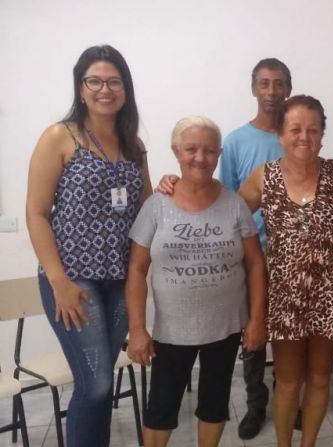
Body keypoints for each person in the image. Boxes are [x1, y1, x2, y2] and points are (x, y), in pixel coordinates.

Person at [157, 58, 292, 440]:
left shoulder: (296, 136)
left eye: (278, 84)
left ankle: (288, 400)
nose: (271, 92)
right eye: (264, 84)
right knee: (251, 337)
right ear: (253, 89)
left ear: (288, 90)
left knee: (285, 336)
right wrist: (170, 180)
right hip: (247, 256)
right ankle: (255, 404)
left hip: (291, 259)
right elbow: (223, 197)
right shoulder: (233, 142)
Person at [25, 44, 152, 447]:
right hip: (73, 279)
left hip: (121, 280)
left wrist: (170, 188)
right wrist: (58, 279)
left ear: (125, 89)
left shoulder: (134, 146)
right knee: (95, 383)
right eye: (94, 81)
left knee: (101, 384)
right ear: (81, 89)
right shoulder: (59, 137)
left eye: (114, 81)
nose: (104, 89)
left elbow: (146, 212)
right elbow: (37, 213)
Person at [125, 116, 267, 447]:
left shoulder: (234, 204)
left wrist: (257, 318)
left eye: (209, 151)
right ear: (176, 151)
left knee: (215, 401)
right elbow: (136, 269)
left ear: (218, 155)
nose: (200, 158)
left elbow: (256, 263)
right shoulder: (156, 206)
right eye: (191, 149)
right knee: (161, 405)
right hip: (172, 330)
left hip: (225, 326)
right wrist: (137, 329)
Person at [239, 95, 333, 447]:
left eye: (313, 129)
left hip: (327, 296)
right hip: (283, 299)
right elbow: (225, 214)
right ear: (280, 134)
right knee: (289, 382)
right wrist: (176, 183)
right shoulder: (265, 177)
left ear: (323, 135)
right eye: (295, 129)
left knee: (320, 378)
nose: (304, 137)